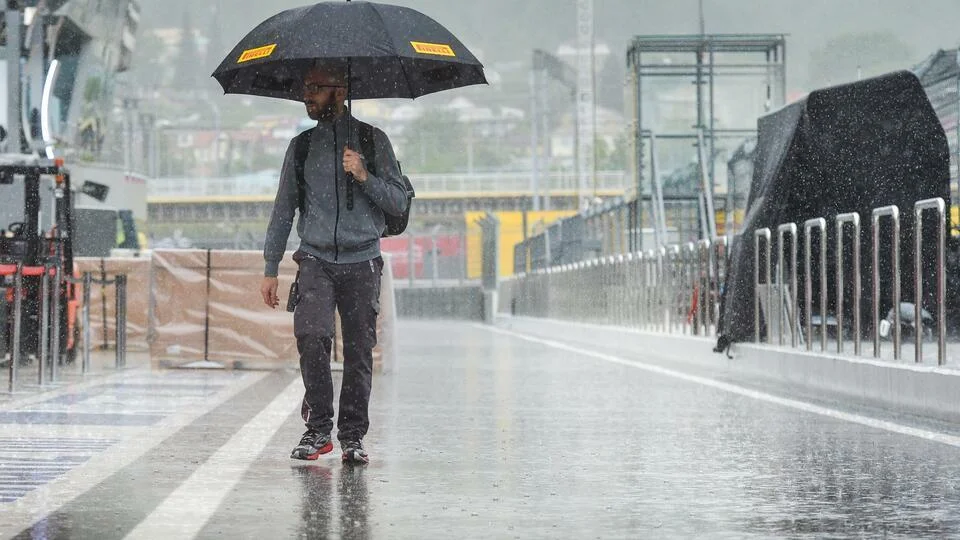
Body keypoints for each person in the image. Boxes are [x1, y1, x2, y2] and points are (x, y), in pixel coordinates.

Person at [259, 63, 408, 464]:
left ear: (339, 92)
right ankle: (318, 429)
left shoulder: (374, 142)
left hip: (363, 260)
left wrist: (363, 174)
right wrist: (271, 266)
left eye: (315, 88)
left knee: (359, 352)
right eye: (305, 87)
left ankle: (353, 436)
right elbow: (283, 209)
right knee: (311, 336)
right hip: (316, 259)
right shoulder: (302, 146)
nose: (306, 95)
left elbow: (398, 202)